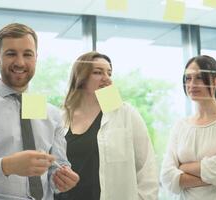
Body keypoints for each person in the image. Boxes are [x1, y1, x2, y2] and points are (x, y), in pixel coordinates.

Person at [0, 23, 79, 200]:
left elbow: (57, 168)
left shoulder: (51, 113)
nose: (20, 62)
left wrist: (62, 179)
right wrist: (6, 166)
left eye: (27, 54)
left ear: (36, 58)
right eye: (11, 54)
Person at [55, 51, 158, 200]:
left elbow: (147, 167)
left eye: (109, 73)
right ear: (81, 78)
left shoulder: (125, 113)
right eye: (98, 72)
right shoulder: (61, 117)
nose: (107, 79)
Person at [160, 55, 216, 199]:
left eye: (199, 77)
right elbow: (166, 176)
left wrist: (183, 168)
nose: (192, 84)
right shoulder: (180, 126)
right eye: (188, 78)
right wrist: (214, 177)